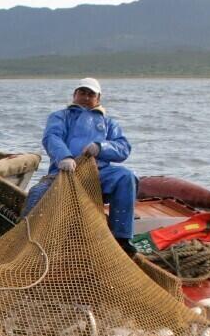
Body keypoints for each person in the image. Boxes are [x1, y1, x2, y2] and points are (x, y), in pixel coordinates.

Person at [23, 78, 138, 255]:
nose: (85, 97)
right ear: (75, 95)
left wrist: (101, 147)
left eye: (90, 94)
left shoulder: (109, 123)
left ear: (98, 98)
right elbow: (52, 138)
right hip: (64, 172)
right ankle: (28, 239)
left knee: (126, 177)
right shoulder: (60, 116)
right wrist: (65, 157)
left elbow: (123, 148)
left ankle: (121, 238)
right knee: (37, 193)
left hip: (99, 173)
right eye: (82, 93)